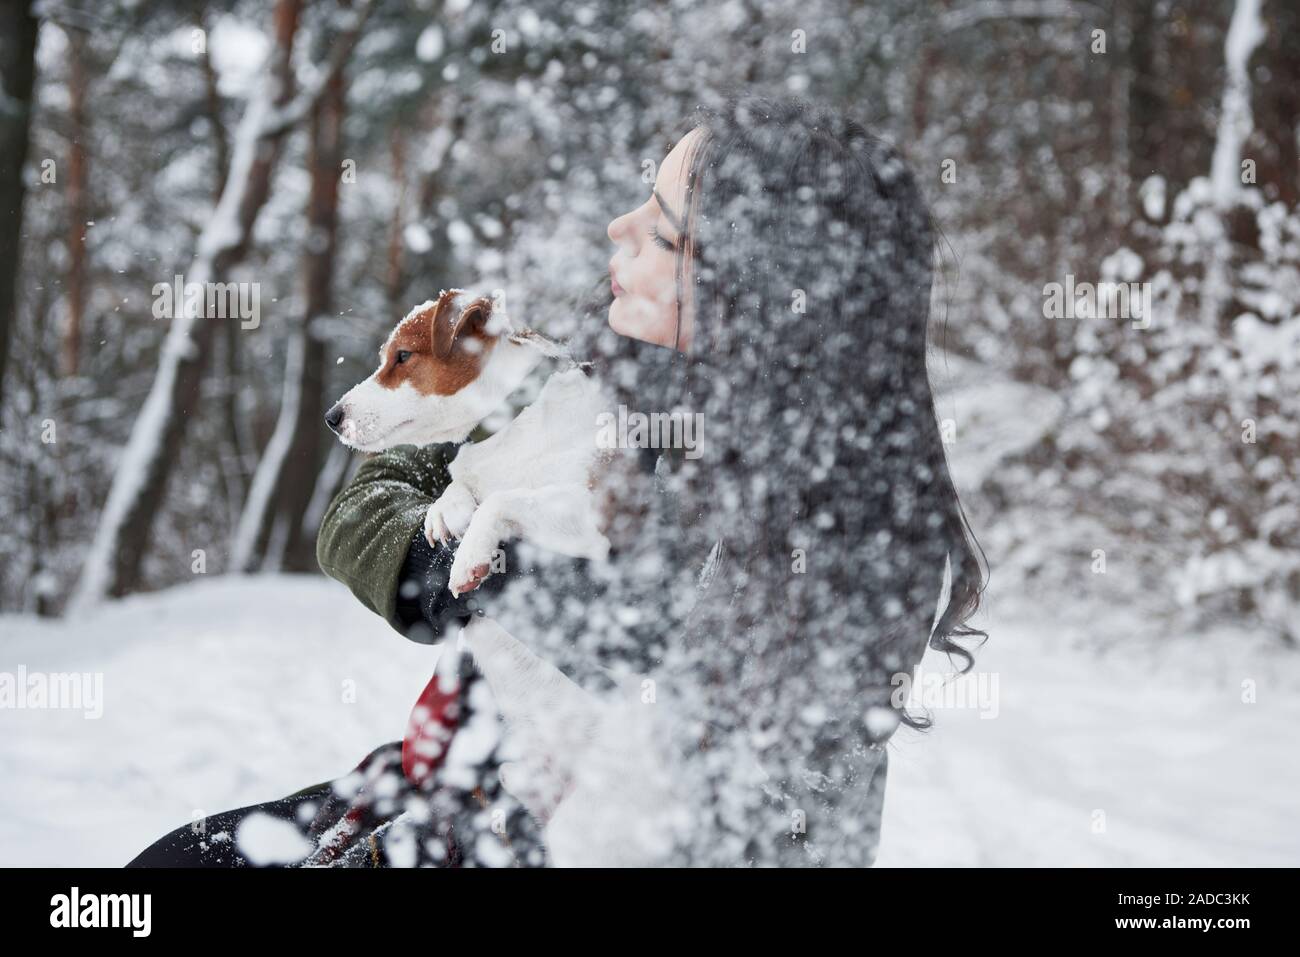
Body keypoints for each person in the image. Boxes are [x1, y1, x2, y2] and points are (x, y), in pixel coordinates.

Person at [127, 92, 986, 867]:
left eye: (659, 226)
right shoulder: (595, 354)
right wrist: (439, 569)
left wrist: (511, 572)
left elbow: (678, 800)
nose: (617, 227)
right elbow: (373, 492)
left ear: (749, 286)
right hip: (457, 771)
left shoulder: (831, 540)